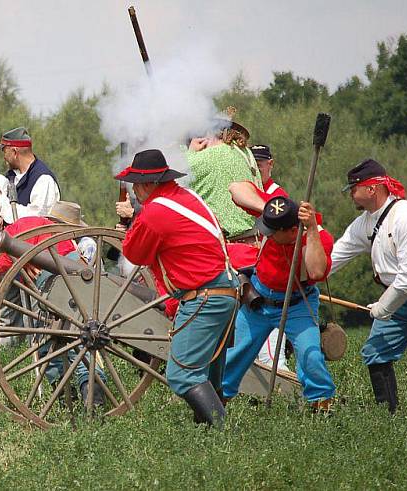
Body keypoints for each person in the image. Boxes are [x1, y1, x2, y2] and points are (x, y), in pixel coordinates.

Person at [118, 149, 239, 428]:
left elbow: (134, 253)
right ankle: (211, 441)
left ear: (147, 185)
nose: (134, 191)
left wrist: (131, 223)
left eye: (136, 184)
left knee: (182, 374)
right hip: (225, 291)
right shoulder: (187, 197)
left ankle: (223, 434)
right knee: (207, 374)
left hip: (205, 296)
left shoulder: (155, 212)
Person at [330, 159, 407, 414]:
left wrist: (383, 307)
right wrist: (306, 275)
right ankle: (388, 417)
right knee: (376, 352)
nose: (351, 193)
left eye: (354, 188)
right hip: (397, 297)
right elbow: (333, 258)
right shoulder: (364, 223)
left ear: (372, 189)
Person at [222, 196, 337, 411]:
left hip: (297, 304)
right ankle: (216, 405)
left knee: (310, 355)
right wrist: (263, 207)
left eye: (273, 231)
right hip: (258, 300)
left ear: (293, 231)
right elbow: (236, 190)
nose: (267, 235)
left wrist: (311, 229)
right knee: (235, 354)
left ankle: (322, 407)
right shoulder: (275, 214)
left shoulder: (319, 238)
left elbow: (317, 271)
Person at [0, 201, 107, 404]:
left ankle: (71, 396)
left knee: (55, 344)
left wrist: (23, 260)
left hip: (59, 294)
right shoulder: (70, 242)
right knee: (72, 344)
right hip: (66, 293)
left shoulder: (29, 227)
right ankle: (81, 396)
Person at [228, 144, 292, 372]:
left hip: (270, 278)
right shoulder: (251, 192)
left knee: (271, 355)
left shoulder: (277, 197)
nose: (256, 169)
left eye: (260, 164)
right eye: (251, 165)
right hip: (252, 270)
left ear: (270, 165)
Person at [185, 111, 262, 241]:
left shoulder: (207, 157)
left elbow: (175, 178)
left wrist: (191, 153)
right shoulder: (246, 153)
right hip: (255, 238)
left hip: (232, 244)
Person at [0, 127, 60, 225]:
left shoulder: (43, 179)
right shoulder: (11, 177)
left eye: (5, 151)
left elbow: (35, 220)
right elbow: (10, 215)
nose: (4, 157)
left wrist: (0, 200)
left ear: (14, 152)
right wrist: (1, 219)